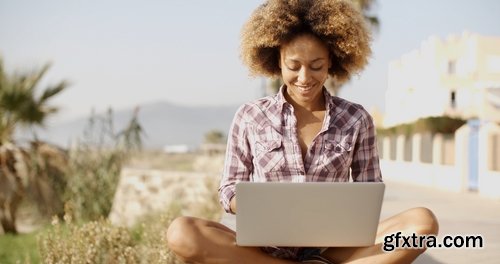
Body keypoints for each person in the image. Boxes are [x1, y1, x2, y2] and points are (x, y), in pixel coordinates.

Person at [166, 0, 439, 263]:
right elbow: (227, 189)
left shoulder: (357, 119)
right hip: (263, 249)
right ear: (277, 61)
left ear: (332, 60)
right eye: (294, 66)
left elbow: (369, 191)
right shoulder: (250, 116)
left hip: (333, 248)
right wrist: (261, 208)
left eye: (316, 66)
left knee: (422, 224)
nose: (305, 78)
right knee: (182, 233)